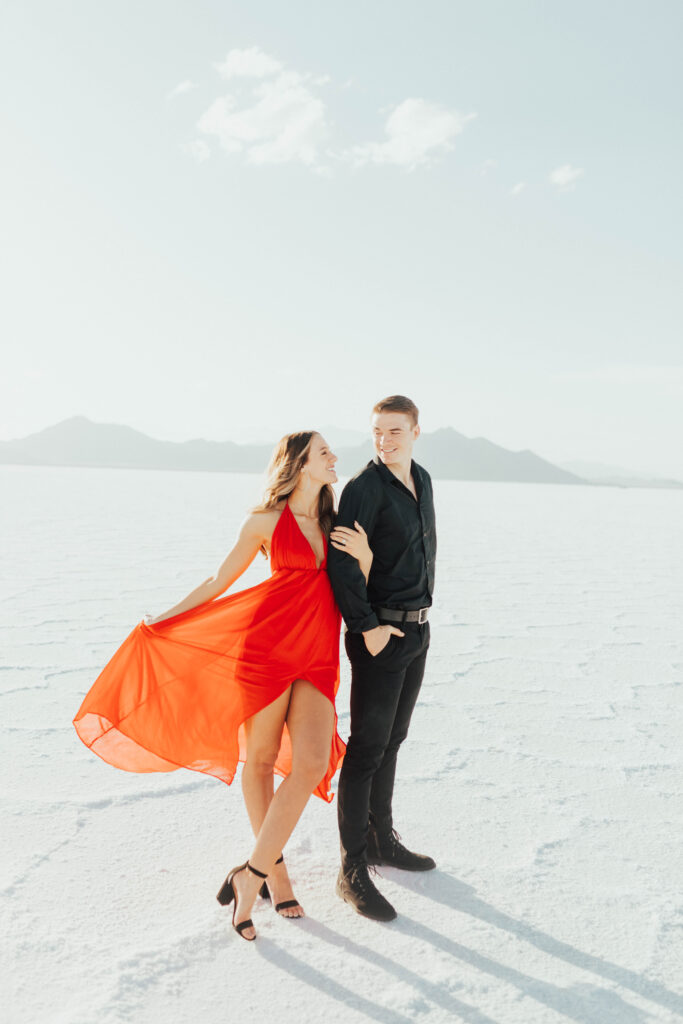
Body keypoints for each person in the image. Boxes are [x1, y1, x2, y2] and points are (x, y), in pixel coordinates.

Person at [73, 431, 371, 941]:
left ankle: (246, 876)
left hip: (317, 653)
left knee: (312, 764)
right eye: (324, 452)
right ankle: (275, 874)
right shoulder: (263, 522)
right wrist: (162, 620)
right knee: (257, 760)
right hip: (267, 648)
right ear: (299, 463)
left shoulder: (336, 521)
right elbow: (218, 582)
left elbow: (352, 586)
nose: (334, 458)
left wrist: (363, 558)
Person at [327, 396, 437, 922]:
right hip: (379, 635)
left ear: (416, 431)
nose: (384, 441)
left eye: (395, 431)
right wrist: (367, 628)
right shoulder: (363, 489)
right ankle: (351, 869)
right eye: (377, 432)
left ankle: (381, 840)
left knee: (394, 740)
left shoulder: (424, 480)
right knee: (367, 748)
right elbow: (342, 565)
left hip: (417, 630)